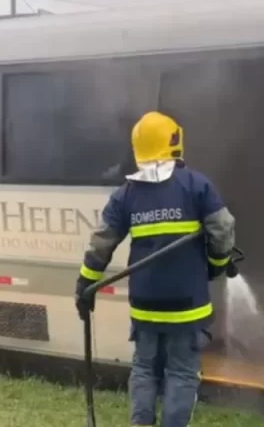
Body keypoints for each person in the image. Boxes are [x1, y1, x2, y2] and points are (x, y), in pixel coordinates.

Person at [75, 111, 236, 427]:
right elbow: (223, 229)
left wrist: (85, 283)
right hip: (187, 307)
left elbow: (102, 242)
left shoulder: (126, 194)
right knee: (181, 371)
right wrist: (217, 265)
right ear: (175, 142)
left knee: (145, 369)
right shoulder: (196, 184)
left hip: (145, 306)